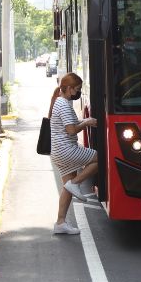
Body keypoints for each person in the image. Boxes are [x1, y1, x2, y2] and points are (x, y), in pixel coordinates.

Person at [49, 72, 98, 235]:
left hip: (58, 151)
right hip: (66, 149)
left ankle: (60, 222)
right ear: (69, 88)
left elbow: (70, 123)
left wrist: (83, 121)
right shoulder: (63, 104)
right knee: (99, 158)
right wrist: (88, 122)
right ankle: (76, 183)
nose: (78, 93)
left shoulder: (60, 102)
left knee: (67, 188)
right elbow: (71, 130)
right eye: (77, 89)